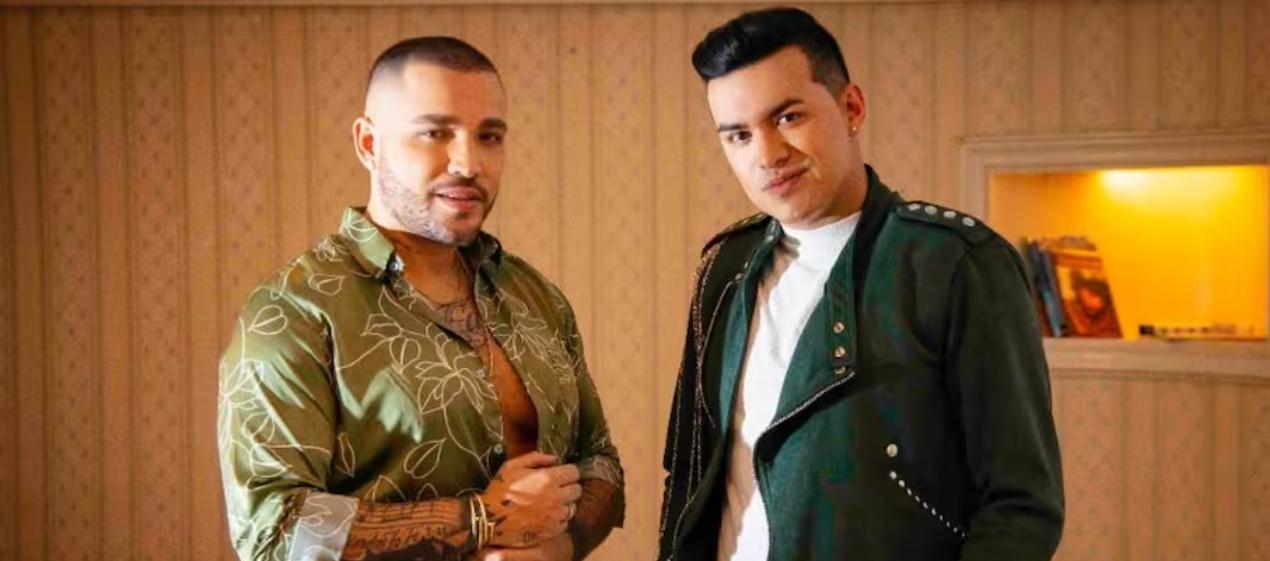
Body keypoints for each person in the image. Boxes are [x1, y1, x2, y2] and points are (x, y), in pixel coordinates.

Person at [657, 8, 1064, 561]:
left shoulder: (955, 264)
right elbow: (687, 473)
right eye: (739, 135)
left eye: (787, 117)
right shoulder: (724, 266)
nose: (766, 154)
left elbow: (1021, 506)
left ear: (851, 108)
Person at [218, 36, 623, 561]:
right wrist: (481, 518)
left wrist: (556, 550)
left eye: (489, 136)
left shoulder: (536, 296)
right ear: (369, 143)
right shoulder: (292, 312)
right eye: (436, 133)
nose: (468, 163)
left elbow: (600, 462)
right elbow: (271, 529)